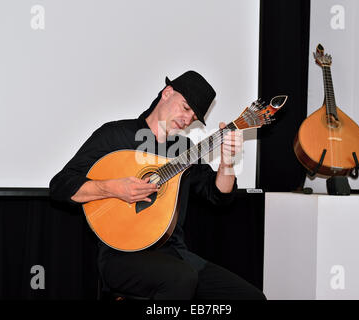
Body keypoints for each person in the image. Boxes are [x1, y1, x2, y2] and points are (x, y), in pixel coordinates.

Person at [49, 70, 265, 300]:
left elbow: (218, 196)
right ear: (167, 93)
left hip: (174, 252)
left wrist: (228, 162)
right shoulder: (116, 135)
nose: (187, 119)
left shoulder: (184, 150)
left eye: (193, 117)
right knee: (181, 278)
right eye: (185, 108)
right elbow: (61, 185)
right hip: (120, 254)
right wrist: (114, 188)